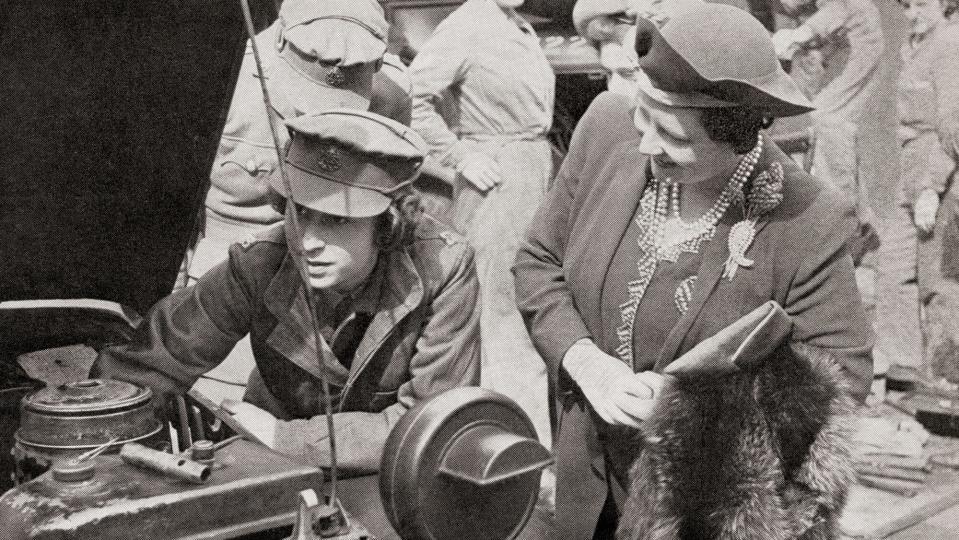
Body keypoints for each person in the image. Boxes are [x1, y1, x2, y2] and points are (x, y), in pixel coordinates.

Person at [513, 4, 873, 537]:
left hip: (699, 510)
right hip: (587, 479)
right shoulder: (605, 127)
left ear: (739, 137)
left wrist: (690, 411)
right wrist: (583, 360)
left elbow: (841, 377)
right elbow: (538, 262)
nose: (645, 144)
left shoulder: (806, 217)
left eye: (673, 137)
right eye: (644, 116)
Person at [93, 109, 481, 476]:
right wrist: (91, 436)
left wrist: (284, 438)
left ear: (388, 225)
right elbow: (150, 365)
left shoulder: (443, 269)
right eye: (301, 213)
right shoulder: (261, 262)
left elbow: (430, 423)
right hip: (267, 461)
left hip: (383, 470)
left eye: (337, 220)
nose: (308, 241)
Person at [182, 0, 412, 401]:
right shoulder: (227, 76)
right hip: (232, 291)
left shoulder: (390, 93)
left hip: (335, 300)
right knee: (227, 426)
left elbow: (384, 207)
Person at [408, 0, 555, 446]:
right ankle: (514, 454)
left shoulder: (514, 25)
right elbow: (413, 101)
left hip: (533, 174)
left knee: (531, 304)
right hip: (497, 185)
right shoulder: (468, 24)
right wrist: (460, 156)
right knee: (500, 319)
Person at [875, 0, 959, 383]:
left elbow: (952, 125)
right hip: (910, 167)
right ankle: (902, 367)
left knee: (937, 279)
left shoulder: (951, 44)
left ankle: (946, 381)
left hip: (939, 171)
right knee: (892, 268)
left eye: (921, 4)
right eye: (906, 5)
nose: (912, 13)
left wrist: (932, 187)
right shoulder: (914, 46)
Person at [771, 0, 884, 250]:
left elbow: (842, 7)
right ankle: (860, 224)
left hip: (855, 32)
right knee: (827, 129)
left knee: (830, 120)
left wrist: (800, 34)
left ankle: (844, 230)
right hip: (827, 40)